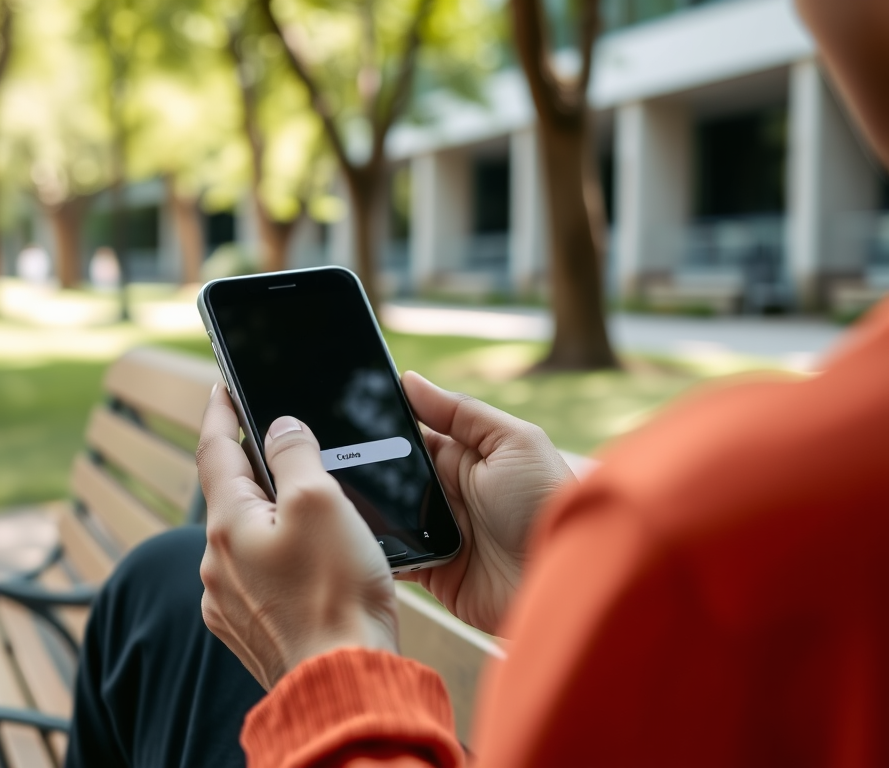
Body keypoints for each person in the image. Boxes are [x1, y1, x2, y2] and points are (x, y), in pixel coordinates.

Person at [65, 0, 889, 765]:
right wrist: (558, 580)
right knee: (163, 573)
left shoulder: (724, 532)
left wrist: (324, 658)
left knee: (157, 591)